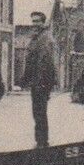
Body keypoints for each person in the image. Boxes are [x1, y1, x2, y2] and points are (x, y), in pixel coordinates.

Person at [19, 12, 59, 146]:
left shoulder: (45, 39)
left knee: (40, 113)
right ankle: (40, 141)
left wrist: (44, 84)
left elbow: (45, 63)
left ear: (43, 22)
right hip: (36, 82)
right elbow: (30, 62)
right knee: (37, 113)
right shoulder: (36, 38)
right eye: (33, 21)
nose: (34, 24)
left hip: (41, 83)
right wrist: (25, 79)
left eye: (37, 21)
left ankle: (42, 143)